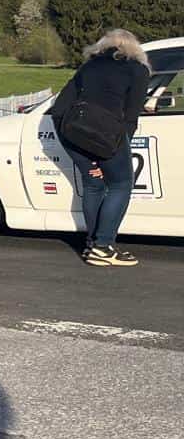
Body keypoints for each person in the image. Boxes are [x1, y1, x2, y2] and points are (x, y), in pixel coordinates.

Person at [48, 28, 149, 266]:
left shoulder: (88, 67)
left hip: (74, 133)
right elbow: (131, 117)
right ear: (134, 48)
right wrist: (115, 147)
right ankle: (103, 246)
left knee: (94, 185)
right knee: (121, 184)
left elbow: (59, 109)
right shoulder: (137, 69)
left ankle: (92, 245)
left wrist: (84, 156)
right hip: (107, 135)